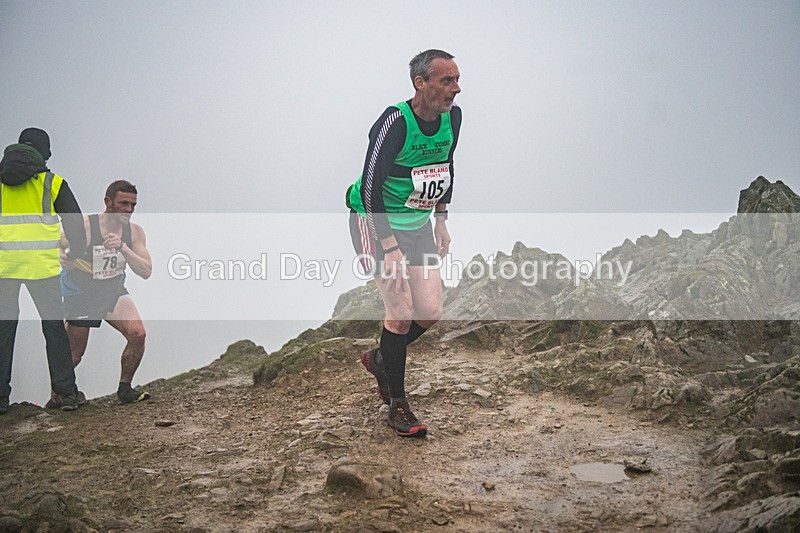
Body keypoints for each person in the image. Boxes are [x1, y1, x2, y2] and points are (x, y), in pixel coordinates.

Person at [346, 49, 462, 437]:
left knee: (428, 311)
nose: (456, 89)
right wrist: (390, 245)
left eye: (457, 80)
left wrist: (441, 219)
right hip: (375, 220)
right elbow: (370, 187)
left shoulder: (453, 118)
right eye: (447, 81)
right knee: (399, 312)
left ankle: (382, 358)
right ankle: (398, 405)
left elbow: (447, 165)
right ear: (420, 83)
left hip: (418, 224)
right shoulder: (394, 122)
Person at [0, 128, 88, 414]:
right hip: (43, 268)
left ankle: (1, 399)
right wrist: (74, 252)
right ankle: (67, 394)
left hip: (4, 268)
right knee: (53, 329)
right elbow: (75, 224)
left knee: (3, 329)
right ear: (44, 152)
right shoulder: (52, 182)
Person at [57, 180, 152, 405]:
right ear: (108, 202)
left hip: (112, 290)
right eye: (123, 204)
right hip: (82, 292)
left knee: (138, 334)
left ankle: (125, 388)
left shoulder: (134, 232)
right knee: (74, 354)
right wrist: (61, 257)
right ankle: (58, 396)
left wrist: (123, 247)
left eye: (133, 205)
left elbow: (146, 270)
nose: (128, 210)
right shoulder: (86, 226)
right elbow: (58, 242)